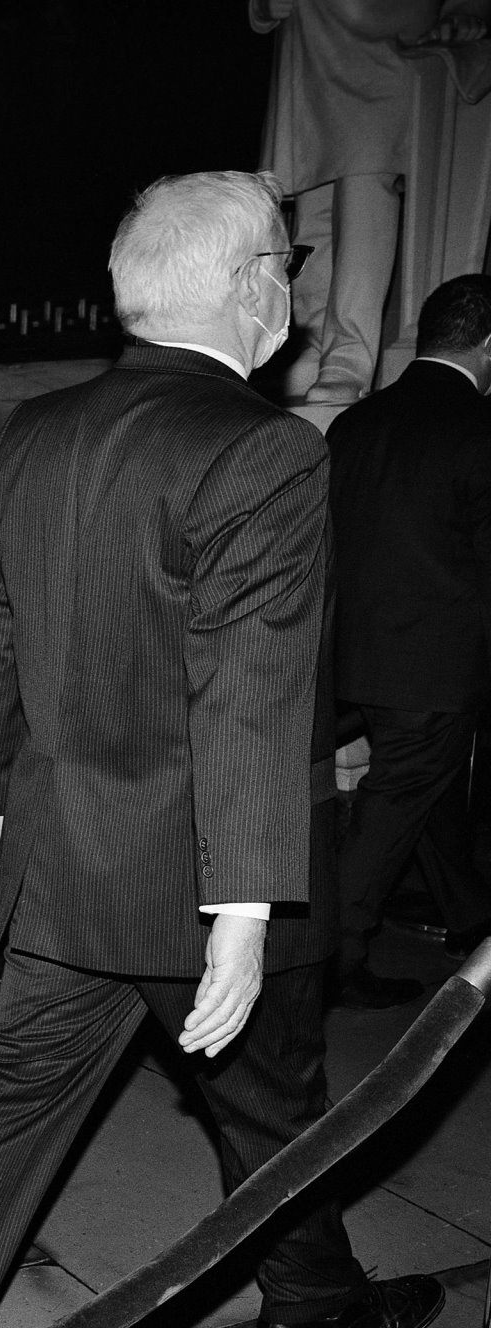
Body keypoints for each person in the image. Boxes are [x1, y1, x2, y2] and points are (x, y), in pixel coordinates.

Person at [0, 170, 445, 1328]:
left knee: (2, 1107)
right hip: (202, 874)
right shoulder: (263, 450)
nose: (291, 285)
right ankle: (313, 1304)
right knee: (273, 1094)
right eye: (285, 263)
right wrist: (249, 912)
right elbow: (250, 689)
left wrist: (1, 820)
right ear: (253, 289)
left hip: (62, 864)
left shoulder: (39, 429)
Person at [328, 272, 491, 1006]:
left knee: (428, 788)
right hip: (434, 667)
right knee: (398, 799)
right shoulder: (479, 428)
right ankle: (335, 955)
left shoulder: (355, 424)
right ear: (490, 346)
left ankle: (472, 918)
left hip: (355, 654)